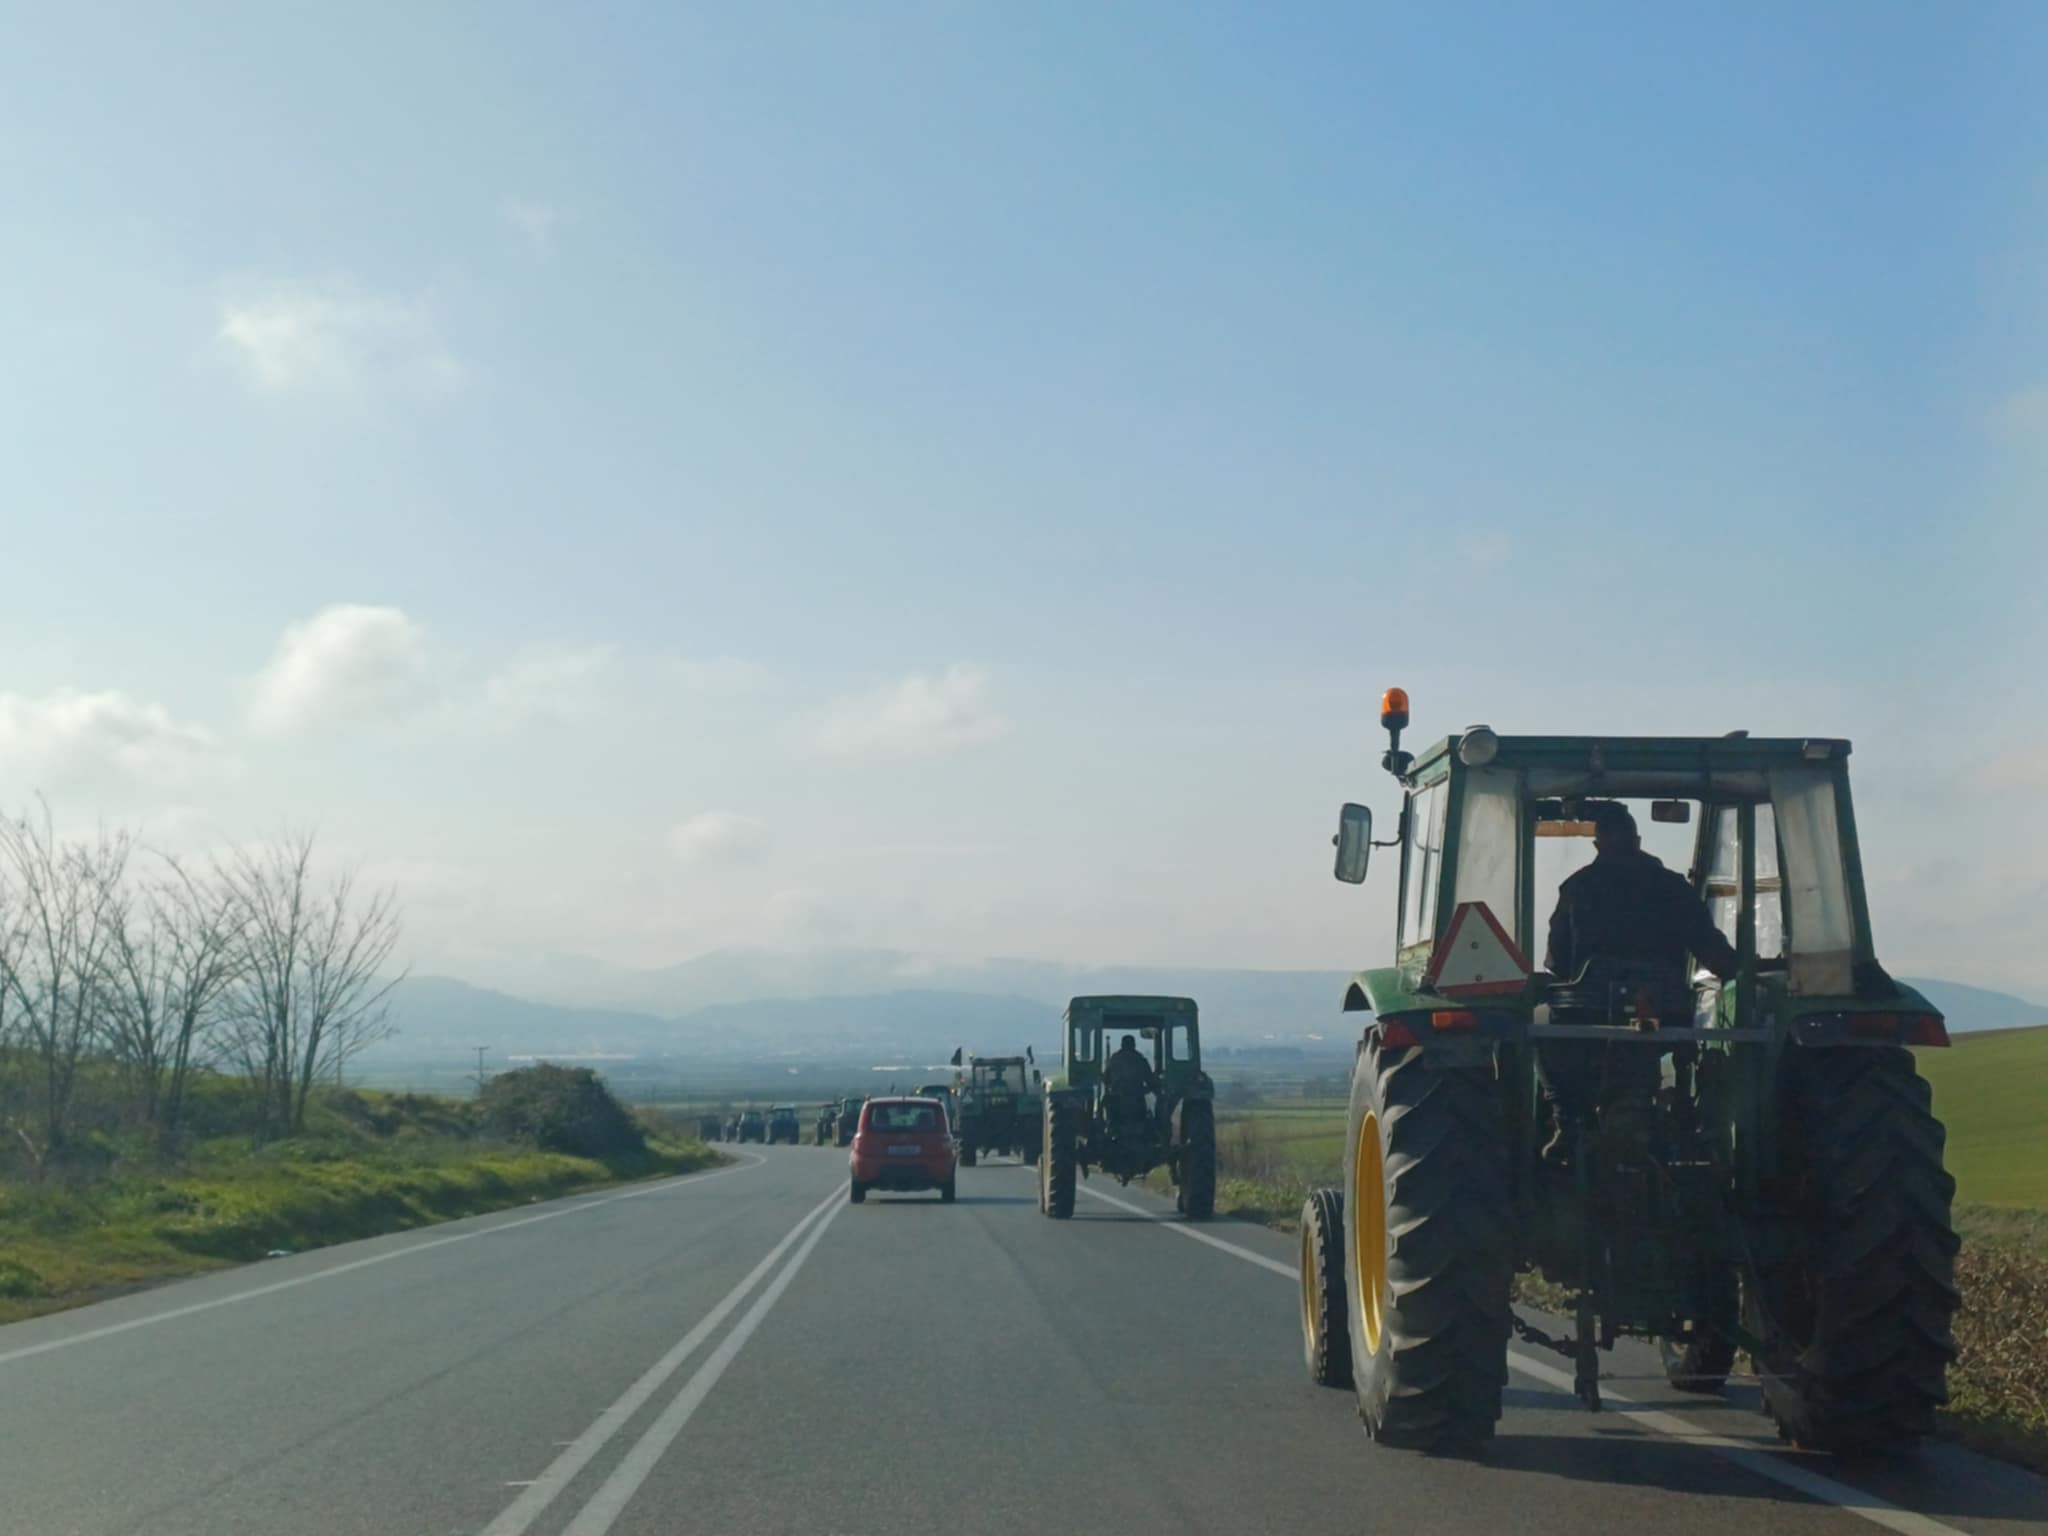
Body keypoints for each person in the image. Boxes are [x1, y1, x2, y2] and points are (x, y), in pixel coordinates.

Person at [1540, 802, 1739, 1162]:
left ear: (1598, 845)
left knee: (1540, 1020)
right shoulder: (1674, 888)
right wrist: (1746, 968)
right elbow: (1714, 953)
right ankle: (1684, 1121)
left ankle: (1568, 1121)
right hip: (1656, 1018)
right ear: (1638, 840)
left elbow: (1558, 964)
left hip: (1590, 1021)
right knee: (1648, 1041)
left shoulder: (1577, 889)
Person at [1103, 1033, 1159, 1133]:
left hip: (1116, 1102)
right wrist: (1150, 1089)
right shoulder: (1140, 1060)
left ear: (1122, 1045)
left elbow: (1106, 1080)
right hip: (1137, 1102)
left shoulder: (1114, 1059)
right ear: (1133, 1045)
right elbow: (1150, 1081)